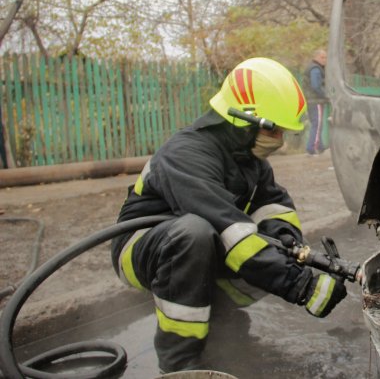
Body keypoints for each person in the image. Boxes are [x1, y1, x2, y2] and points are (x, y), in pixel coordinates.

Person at [110, 57, 347, 373]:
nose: (279, 139)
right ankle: (181, 364)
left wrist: (292, 250)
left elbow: (276, 208)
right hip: (140, 248)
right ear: (242, 119)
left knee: (268, 251)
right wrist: (302, 287)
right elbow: (228, 230)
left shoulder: (248, 159)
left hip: (199, 243)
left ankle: (221, 318)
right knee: (198, 234)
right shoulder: (186, 153)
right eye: (274, 129)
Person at [304, 49, 329, 156]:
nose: (325, 60)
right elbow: (316, 86)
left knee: (317, 124)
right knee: (317, 124)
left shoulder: (312, 67)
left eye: (325, 57)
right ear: (317, 57)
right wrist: (325, 95)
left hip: (311, 100)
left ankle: (320, 147)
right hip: (316, 100)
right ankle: (311, 149)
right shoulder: (316, 69)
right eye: (323, 57)